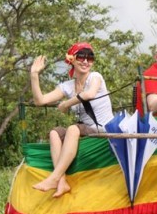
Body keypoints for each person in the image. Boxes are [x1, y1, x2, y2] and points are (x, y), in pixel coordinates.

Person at [29, 42, 114, 197]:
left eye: (90, 58)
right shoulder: (68, 86)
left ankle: (53, 177)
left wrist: (66, 104)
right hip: (86, 130)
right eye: (81, 56)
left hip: (104, 129)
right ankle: (61, 181)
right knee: (55, 133)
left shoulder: (95, 77)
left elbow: (90, 94)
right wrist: (34, 75)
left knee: (73, 128)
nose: (86, 61)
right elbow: (40, 101)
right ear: (72, 60)